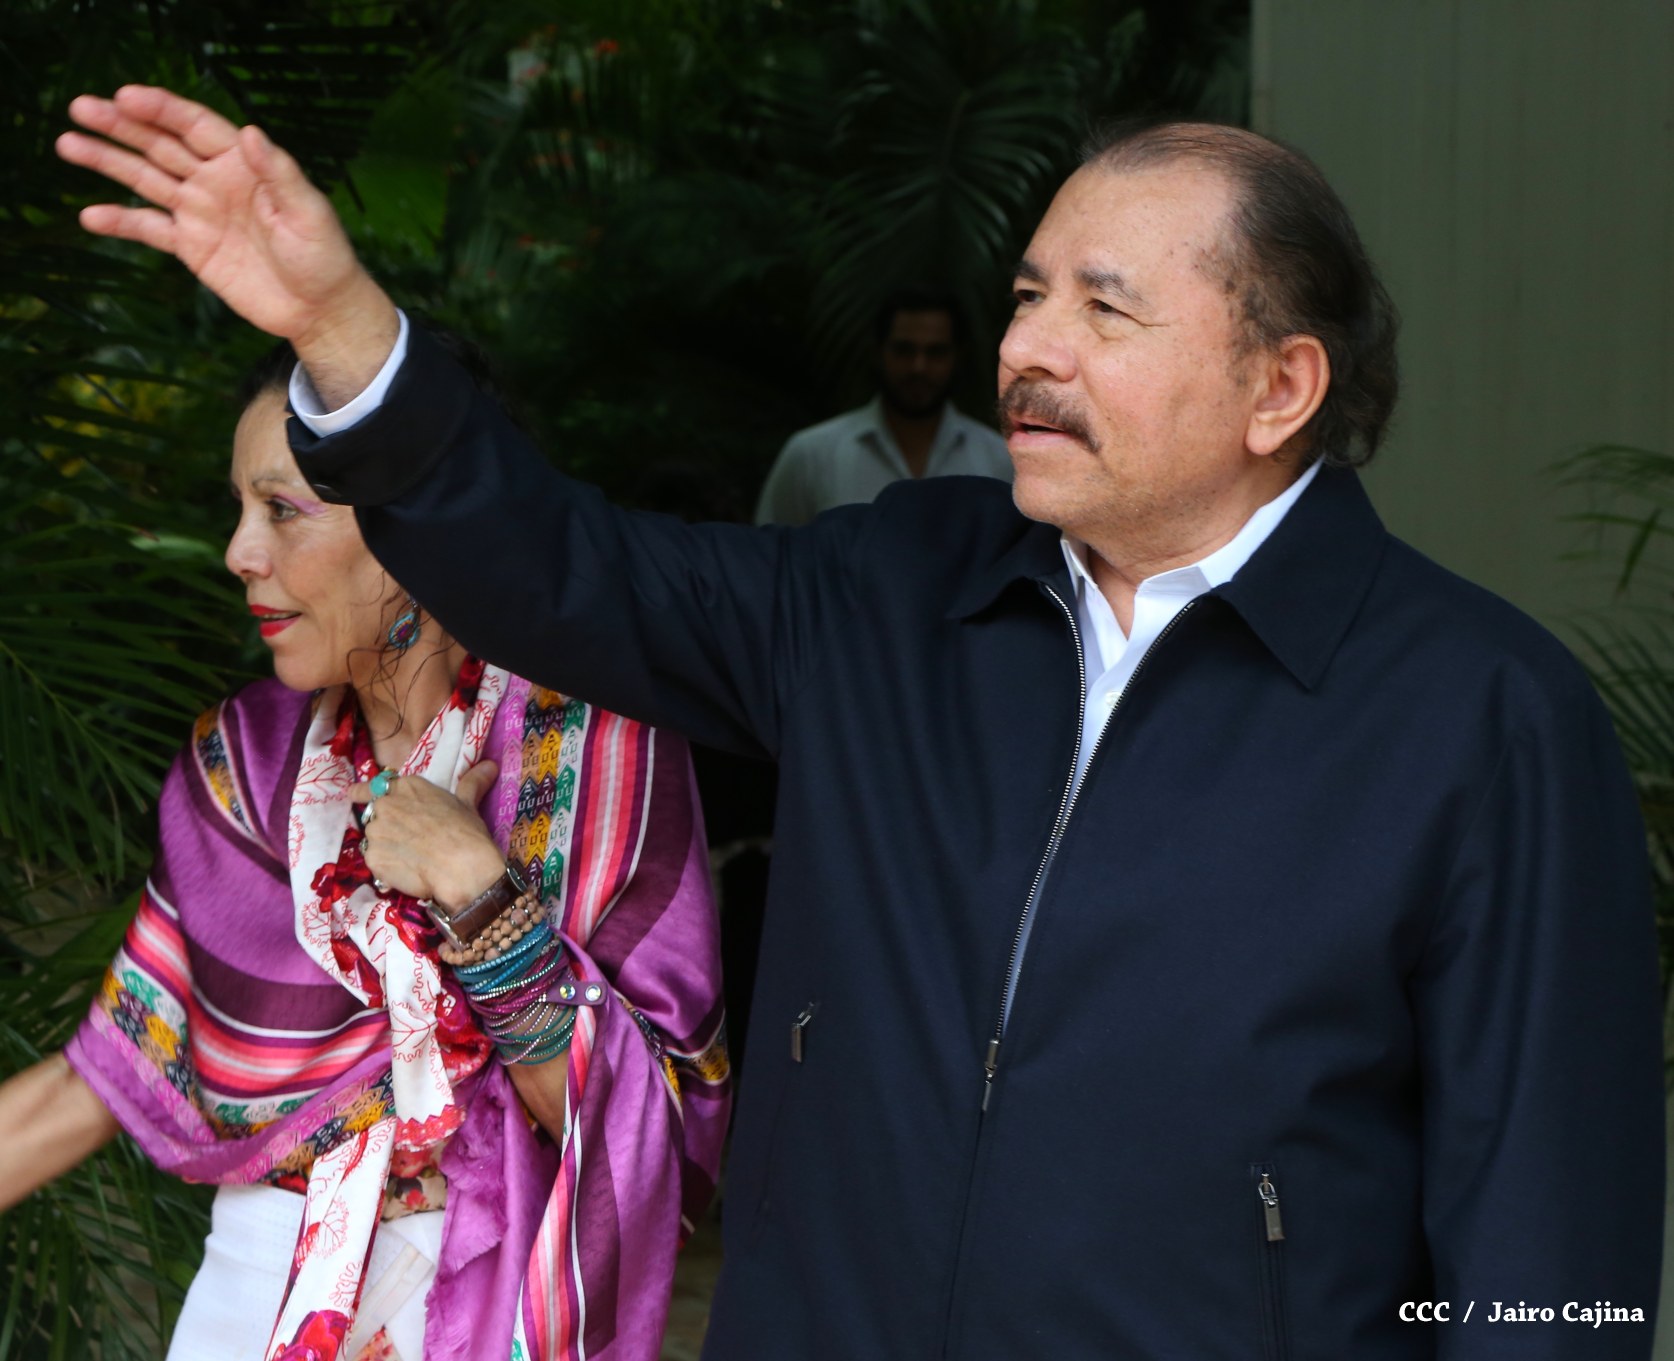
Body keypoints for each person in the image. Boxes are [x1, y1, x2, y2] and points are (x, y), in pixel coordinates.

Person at [57, 88, 1665, 1360]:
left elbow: (1550, 1253)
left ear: (1278, 388)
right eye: (1025, 295)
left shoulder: (1480, 717)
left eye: (1102, 311)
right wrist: (342, 327)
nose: (1022, 349)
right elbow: (561, 571)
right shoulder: (894, 589)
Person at [0, 340, 729, 1361]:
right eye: (239, 509)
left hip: (482, 1298)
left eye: (281, 509)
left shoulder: (588, 749)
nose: (239, 552)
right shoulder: (246, 767)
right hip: (251, 1292)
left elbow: (637, 1131)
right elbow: (110, 1068)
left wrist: (475, 890)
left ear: (418, 525)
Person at [753, 289, 1012, 525]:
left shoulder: (997, 459)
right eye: (904, 350)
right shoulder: (811, 455)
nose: (918, 367)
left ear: (957, 357)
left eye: (935, 352)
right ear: (878, 352)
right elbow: (770, 554)